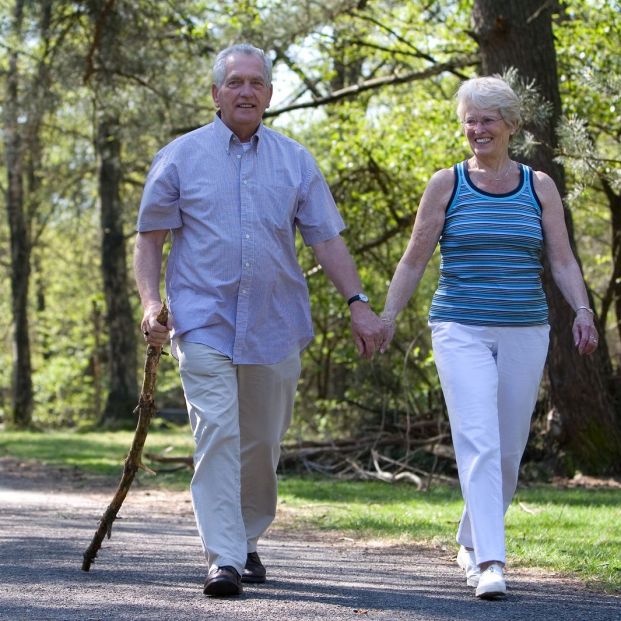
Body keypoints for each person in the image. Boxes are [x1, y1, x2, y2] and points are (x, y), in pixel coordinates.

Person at [134, 43, 384, 597]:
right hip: (202, 320)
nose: (246, 91)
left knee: (262, 443)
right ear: (215, 94)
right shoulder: (180, 157)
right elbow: (149, 240)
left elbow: (326, 239)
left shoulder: (295, 160)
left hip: (275, 322)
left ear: (269, 95)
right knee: (217, 432)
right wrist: (151, 303)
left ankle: (246, 539)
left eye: (256, 83)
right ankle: (222, 557)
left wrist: (358, 303)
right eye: (235, 82)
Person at [379, 76, 598, 599]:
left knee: (507, 449)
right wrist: (386, 317)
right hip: (460, 327)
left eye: (487, 120)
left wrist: (583, 310)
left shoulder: (539, 186)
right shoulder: (446, 184)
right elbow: (414, 260)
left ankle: (470, 538)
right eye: (469, 121)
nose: (477, 129)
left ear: (511, 126)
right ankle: (490, 562)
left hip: (526, 327)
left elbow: (562, 259)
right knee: (478, 436)